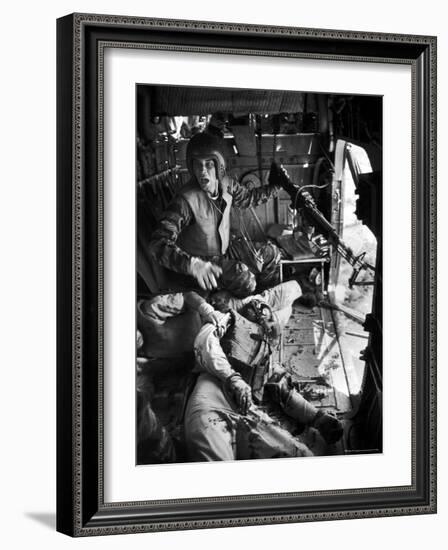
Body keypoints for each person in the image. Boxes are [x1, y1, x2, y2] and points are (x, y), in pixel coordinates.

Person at [184, 280, 344, 461]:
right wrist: (231, 377)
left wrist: (317, 418)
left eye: (269, 316)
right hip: (212, 399)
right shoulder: (226, 320)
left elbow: (282, 388)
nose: (264, 314)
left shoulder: (264, 354)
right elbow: (204, 343)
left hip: (247, 409)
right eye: (258, 309)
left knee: (301, 455)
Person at [149, 131, 283, 292]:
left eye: (209, 164)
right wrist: (193, 265)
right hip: (202, 263)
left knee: (272, 253)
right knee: (244, 280)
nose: (202, 171)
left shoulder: (227, 184)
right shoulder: (185, 201)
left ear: (219, 166)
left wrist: (276, 186)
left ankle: (263, 300)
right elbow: (158, 244)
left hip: (226, 250)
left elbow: (249, 198)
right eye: (197, 164)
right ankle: (226, 303)